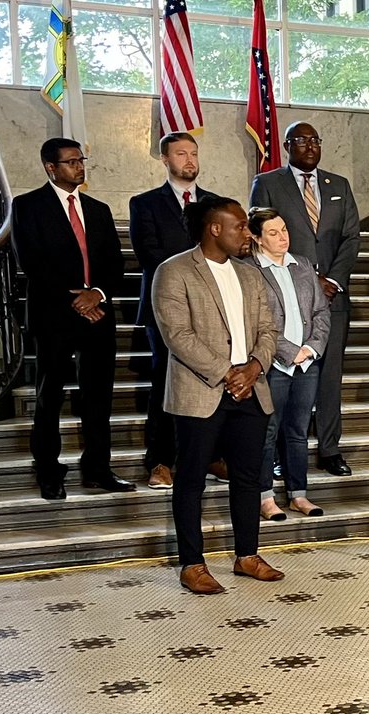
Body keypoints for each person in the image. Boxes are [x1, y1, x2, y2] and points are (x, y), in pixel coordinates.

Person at [152, 196, 284, 595]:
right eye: (240, 226)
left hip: (250, 389)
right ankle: (192, 564)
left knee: (248, 477)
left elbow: (268, 329)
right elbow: (178, 336)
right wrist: (228, 373)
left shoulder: (250, 274)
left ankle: (247, 556)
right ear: (214, 229)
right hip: (201, 389)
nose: (247, 233)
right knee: (190, 479)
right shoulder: (174, 271)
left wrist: (254, 368)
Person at [10, 138, 134, 501]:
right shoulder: (28, 206)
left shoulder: (98, 209)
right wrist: (77, 299)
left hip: (98, 316)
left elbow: (114, 263)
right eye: (71, 162)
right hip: (53, 316)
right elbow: (31, 263)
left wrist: (96, 294)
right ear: (51, 167)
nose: (80, 167)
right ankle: (49, 471)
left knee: (99, 397)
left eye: (81, 160)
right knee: (50, 396)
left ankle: (98, 468)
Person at [249, 121, 360, 478]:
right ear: (287, 145)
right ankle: (282, 454)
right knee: (285, 378)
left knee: (329, 379)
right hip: (287, 299)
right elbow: (261, 236)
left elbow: (351, 238)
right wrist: (312, 281)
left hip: (334, 298)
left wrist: (333, 280)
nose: (310, 146)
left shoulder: (338, 185)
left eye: (315, 140)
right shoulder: (267, 184)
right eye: (302, 140)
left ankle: (330, 449)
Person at [129, 132, 214, 489]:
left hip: (211, 309)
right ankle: (161, 461)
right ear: (165, 159)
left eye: (193, 153)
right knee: (167, 382)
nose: (189, 160)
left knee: (212, 383)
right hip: (166, 309)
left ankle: (209, 457)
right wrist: (189, 281)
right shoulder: (145, 203)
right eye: (181, 153)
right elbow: (148, 255)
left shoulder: (215, 203)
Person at [246, 208, 331, 522]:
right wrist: (288, 351)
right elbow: (255, 322)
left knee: (297, 432)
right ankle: (265, 497)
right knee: (267, 432)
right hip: (273, 365)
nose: (283, 237)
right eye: (273, 232)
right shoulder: (249, 270)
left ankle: (298, 494)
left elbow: (322, 312)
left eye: (284, 230)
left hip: (307, 364)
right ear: (256, 237)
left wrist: (311, 348)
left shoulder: (303, 265)